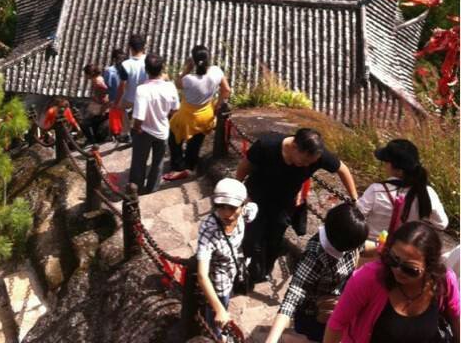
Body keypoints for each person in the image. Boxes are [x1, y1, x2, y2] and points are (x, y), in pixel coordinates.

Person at [236, 128, 357, 283]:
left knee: (275, 237)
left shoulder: (316, 155)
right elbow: (244, 167)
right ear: (294, 147)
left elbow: (342, 169)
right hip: (256, 198)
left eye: (311, 163)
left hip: (284, 203)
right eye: (305, 161)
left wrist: (354, 198)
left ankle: (263, 270)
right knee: (252, 237)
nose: (307, 165)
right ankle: (247, 269)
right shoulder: (267, 145)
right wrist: (238, 194)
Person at [325, 220, 460, 343]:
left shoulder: (444, 281)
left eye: (410, 269)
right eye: (393, 259)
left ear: (430, 267)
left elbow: (456, 318)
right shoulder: (368, 278)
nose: (397, 270)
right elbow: (337, 323)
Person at [264, 204, 368, 343]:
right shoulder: (315, 257)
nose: (356, 249)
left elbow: (364, 247)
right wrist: (272, 339)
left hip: (337, 308)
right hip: (315, 316)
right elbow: (293, 296)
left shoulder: (344, 237)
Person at [197, 178, 258, 338]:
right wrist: (219, 310)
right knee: (217, 317)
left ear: (242, 205)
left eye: (232, 207)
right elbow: (202, 275)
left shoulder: (246, 212)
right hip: (218, 281)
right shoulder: (209, 229)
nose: (226, 213)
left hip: (234, 269)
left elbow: (253, 207)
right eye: (220, 207)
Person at [356, 138, 448, 240]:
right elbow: (442, 224)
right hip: (404, 252)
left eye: (386, 162)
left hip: (372, 249)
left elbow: (357, 215)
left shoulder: (376, 190)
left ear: (397, 169)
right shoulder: (427, 192)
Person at [165, 45, 231, 181]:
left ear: (194, 61)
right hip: (206, 115)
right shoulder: (216, 72)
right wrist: (217, 105)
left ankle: (177, 167)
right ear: (208, 59)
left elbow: (177, 84)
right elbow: (226, 90)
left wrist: (186, 69)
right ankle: (189, 166)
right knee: (195, 143)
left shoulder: (189, 79)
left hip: (185, 116)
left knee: (174, 139)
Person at [129, 53, 179, 194]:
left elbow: (139, 116)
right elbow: (175, 109)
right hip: (162, 131)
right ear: (162, 68)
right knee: (158, 163)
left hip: (144, 131)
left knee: (139, 162)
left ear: (146, 69)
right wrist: (165, 117)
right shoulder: (170, 87)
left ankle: (136, 190)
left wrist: (136, 128)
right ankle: (152, 189)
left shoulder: (142, 90)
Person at [114, 33, 148, 144]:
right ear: (144, 47)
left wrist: (117, 102)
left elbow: (122, 86)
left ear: (130, 48)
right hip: (146, 97)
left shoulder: (125, 64)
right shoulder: (149, 60)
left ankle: (126, 133)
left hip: (131, 97)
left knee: (121, 108)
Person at [103, 48, 127, 142]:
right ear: (115, 59)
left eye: (123, 59)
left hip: (125, 100)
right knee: (115, 124)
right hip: (114, 100)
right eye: (119, 58)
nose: (121, 61)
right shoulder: (109, 71)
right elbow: (107, 87)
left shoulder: (126, 70)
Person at [81, 64, 109, 144]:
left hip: (102, 106)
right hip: (100, 105)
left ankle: (92, 141)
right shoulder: (97, 79)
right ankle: (94, 139)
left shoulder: (98, 81)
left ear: (90, 74)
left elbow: (106, 92)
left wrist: (103, 108)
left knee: (85, 123)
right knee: (90, 121)